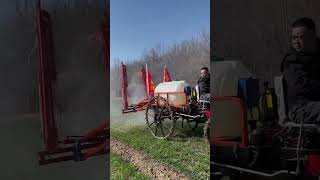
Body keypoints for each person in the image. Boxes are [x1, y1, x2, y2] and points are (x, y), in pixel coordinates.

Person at [281, 17, 320, 125]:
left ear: (312, 36)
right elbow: (303, 87)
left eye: (301, 37)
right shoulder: (292, 61)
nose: (296, 42)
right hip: (300, 107)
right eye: (294, 38)